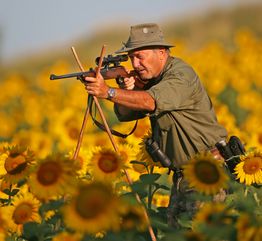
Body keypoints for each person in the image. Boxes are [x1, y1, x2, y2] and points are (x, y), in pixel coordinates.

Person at [84, 23, 228, 228]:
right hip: (183, 177)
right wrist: (126, 86)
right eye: (131, 57)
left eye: (140, 56)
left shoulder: (181, 75)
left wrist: (109, 92)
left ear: (161, 53)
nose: (135, 63)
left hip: (208, 174)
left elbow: (151, 101)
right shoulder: (151, 80)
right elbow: (125, 115)